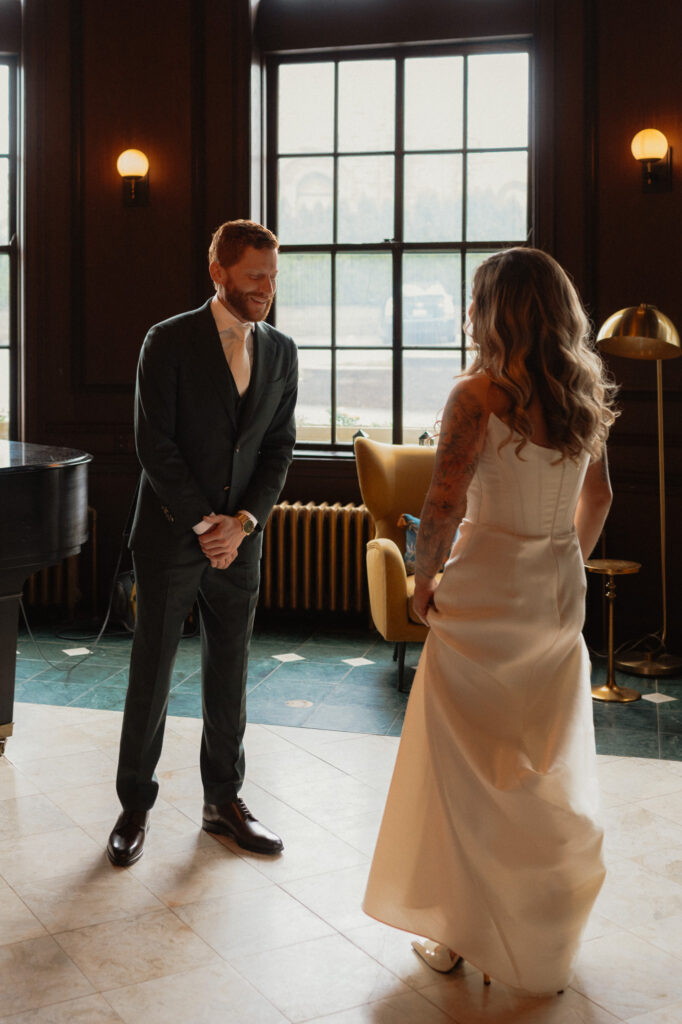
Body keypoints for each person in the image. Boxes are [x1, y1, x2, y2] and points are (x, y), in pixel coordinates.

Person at [363, 247, 617, 996]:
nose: (469, 314)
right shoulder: (583, 389)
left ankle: (455, 931)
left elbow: (443, 504)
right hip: (555, 584)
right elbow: (598, 499)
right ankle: (535, 921)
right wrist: (561, 557)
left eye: (477, 301)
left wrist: (424, 578)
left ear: (495, 312)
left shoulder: (476, 394)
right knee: (539, 752)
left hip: (487, 590)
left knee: (461, 764)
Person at [107, 219, 297, 867]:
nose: (267, 288)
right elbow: (153, 444)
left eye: (273, 275)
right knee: (152, 670)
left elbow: (277, 449)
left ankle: (224, 802)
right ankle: (134, 805)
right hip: (169, 536)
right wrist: (203, 524)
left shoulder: (282, 351)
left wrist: (241, 524)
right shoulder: (167, 341)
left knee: (231, 670)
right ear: (219, 272)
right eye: (254, 276)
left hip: (240, 542)